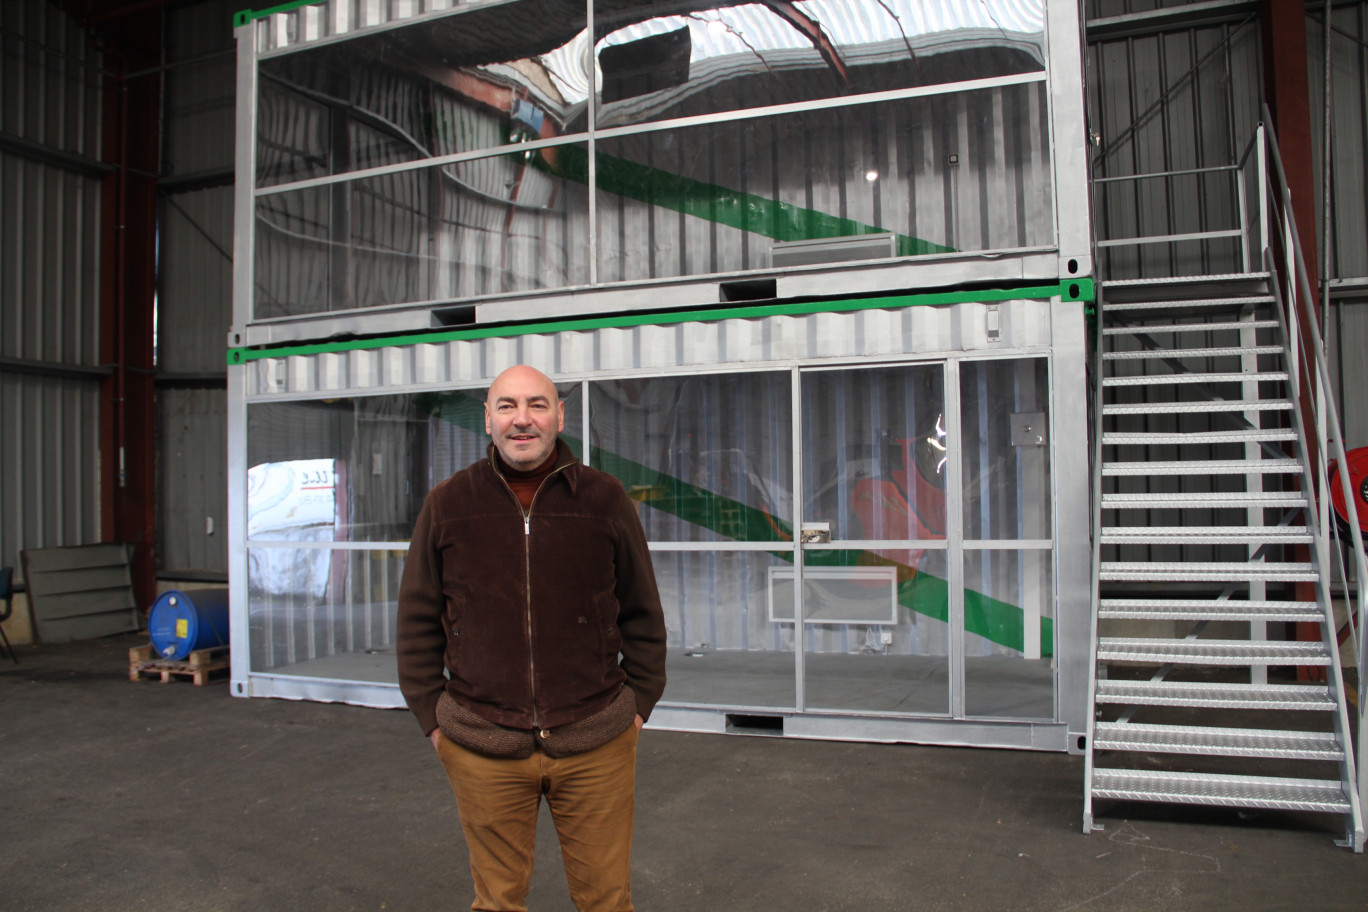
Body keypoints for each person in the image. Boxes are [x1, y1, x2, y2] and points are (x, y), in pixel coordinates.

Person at [397, 364, 667, 912]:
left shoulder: (604, 498)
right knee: (496, 902)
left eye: (537, 405)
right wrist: (433, 717)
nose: (523, 420)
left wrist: (637, 705)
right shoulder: (448, 503)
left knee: (607, 901)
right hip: (481, 743)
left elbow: (642, 611)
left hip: (596, 741)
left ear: (560, 415)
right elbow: (417, 619)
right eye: (507, 406)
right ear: (488, 421)